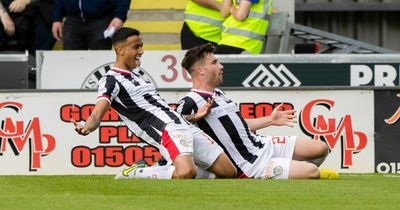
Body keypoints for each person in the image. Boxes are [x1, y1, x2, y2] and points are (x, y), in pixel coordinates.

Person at [72, 27, 237, 180]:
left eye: (142, 46)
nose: (141, 51)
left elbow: (161, 110)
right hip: (167, 130)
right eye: (136, 47)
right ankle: (137, 172)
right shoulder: (110, 80)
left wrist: (194, 116)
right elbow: (97, 113)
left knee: (228, 171)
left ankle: (167, 166)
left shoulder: (139, 78)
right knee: (186, 172)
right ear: (120, 50)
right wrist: (87, 126)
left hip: (185, 125)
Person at [176, 43, 339, 179]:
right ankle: (293, 170)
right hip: (249, 164)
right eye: (214, 63)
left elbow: (239, 125)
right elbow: (173, 130)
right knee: (312, 171)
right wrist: (194, 117)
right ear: (201, 71)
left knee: (320, 148)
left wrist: (270, 120)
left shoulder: (219, 94)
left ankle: (289, 168)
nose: (221, 66)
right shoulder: (189, 101)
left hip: (261, 145)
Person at [52, 0, 130, 50]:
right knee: (71, 60)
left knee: (100, 61)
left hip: (101, 18)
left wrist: (119, 16)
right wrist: (56, 19)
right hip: (73, 19)